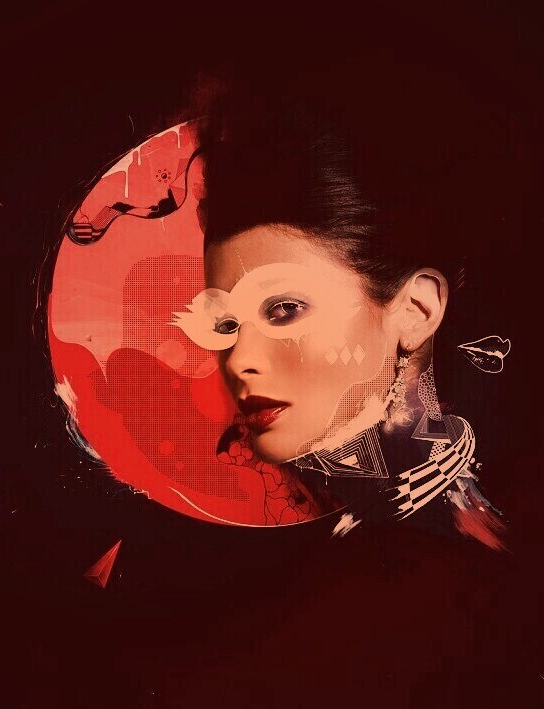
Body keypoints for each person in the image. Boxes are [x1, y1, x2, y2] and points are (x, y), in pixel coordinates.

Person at [173, 61, 508, 546]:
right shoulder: (253, 547)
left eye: (284, 309)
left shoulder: (477, 547)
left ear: (416, 311)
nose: (238, 361)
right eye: (227, 324)